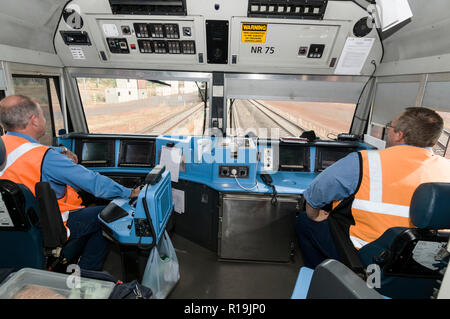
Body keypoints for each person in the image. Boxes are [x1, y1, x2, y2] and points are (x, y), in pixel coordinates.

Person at [296, 107, 450, 269]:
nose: (388, 131)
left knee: (305, 222)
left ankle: (322, 277)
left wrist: (315, 216)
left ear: (399, 135)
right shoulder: (446, 169)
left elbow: (315, 195)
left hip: (366, 255)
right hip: (421, 258)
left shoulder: (363, 162)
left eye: (390, 126)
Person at [0, 95, 141, 271]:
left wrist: (61, 150)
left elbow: (24, 151)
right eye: (43, 115)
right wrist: (129, 193)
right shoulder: (45, 158)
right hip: (48, 228)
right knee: (104, 215)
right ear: (34, 121)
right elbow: (94, 183)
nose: (45, 119)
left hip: (12, 231)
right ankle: (88, 274)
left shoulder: (4, 146)